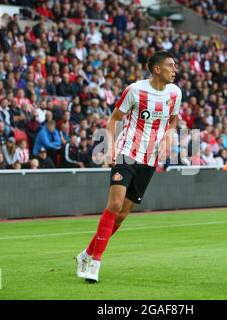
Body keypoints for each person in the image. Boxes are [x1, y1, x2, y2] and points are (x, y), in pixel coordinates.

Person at [75, 51, 181, 283]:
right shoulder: (135, 90)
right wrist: (110, 147)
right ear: (156, 69)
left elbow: (172, 121)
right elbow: (114, 119)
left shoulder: (175, 93)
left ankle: (86, 254)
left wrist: (168, 137)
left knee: (121, 216)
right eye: (171, 66)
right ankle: (95, 264)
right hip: (127, 154)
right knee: (114, 205)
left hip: (149, 160)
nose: (175, 70)